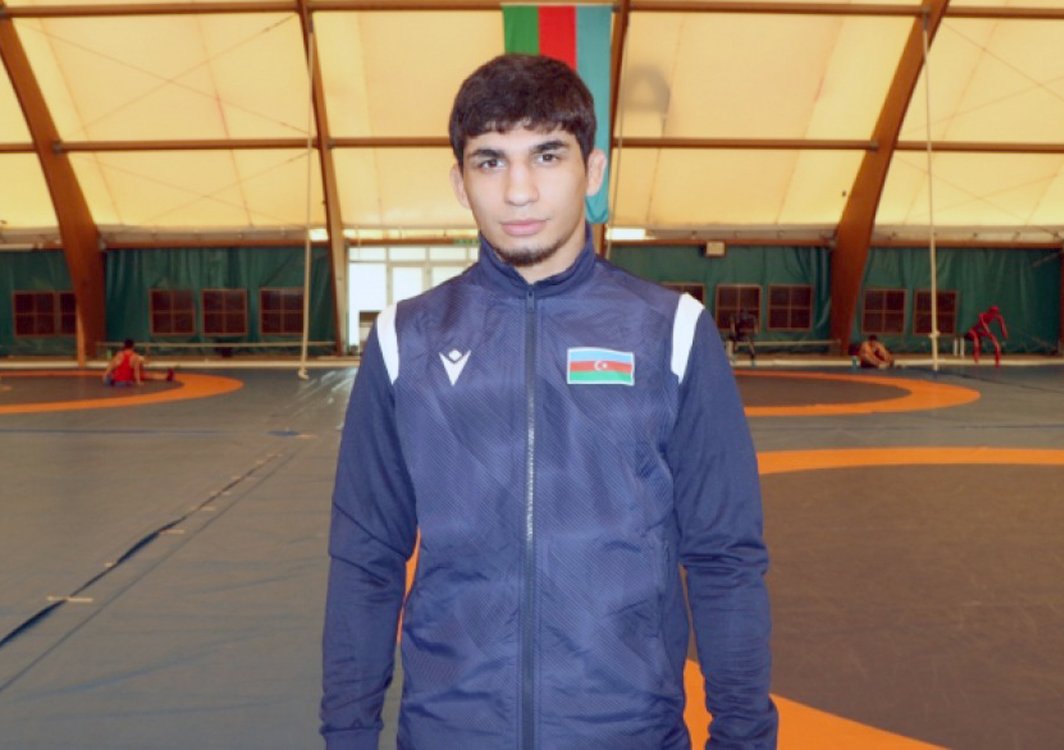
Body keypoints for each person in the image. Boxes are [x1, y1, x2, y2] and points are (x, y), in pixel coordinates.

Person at [321, 54, 776, 749]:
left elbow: (725, 559)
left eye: (547, 155)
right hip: (450, 732)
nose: (520, 191)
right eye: (490, 161)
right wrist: (347, 738)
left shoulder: (672, 333)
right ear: (460, 182)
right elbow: (366, 560)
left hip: (627, 733)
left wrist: (744, 739)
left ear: (592, 171)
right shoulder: (404, 341)